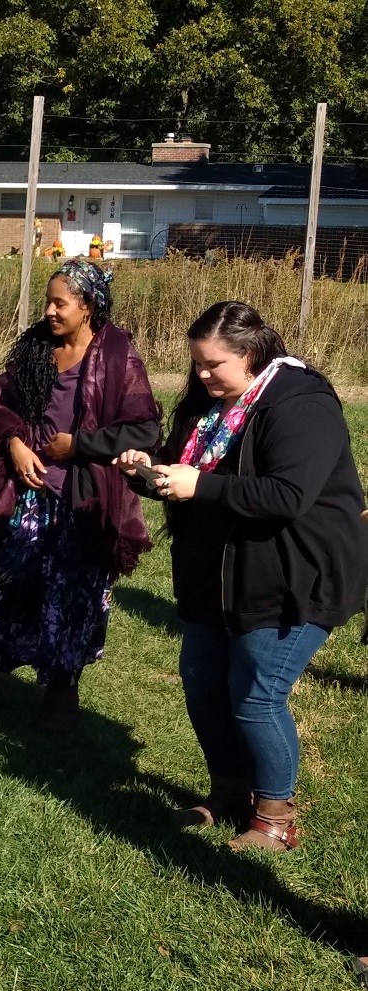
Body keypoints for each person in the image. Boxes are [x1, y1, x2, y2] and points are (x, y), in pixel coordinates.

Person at [117, 301, 368, 851]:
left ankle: (275, 817)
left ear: (251, 355)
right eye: (196, 364)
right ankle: (230, 793)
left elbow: (288, 495)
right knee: (204, 683)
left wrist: (197, 486)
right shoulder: (210, 404)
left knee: (256, 693)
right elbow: (191, 466)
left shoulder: (301, 403)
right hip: (218, 574)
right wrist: (150, 470)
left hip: (294, 572)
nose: (202, 375)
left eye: (214, 365)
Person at [0, 260, 161, 729]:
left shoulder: (119, 357)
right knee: (2, 582)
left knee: (72, 594)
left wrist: (78, 445)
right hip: (26, 496)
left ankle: (61, 699)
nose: (50, 311)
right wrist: (15, 443)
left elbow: (144, 427)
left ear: (88, 305)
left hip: (82, 501)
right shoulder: (37, 347)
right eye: (48, 300)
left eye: (60, 302)